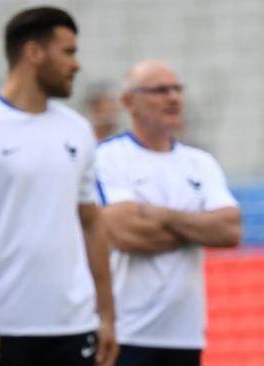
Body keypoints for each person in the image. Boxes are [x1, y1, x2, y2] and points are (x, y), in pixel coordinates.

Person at [0, 6, 117, 366]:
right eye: (68, 52)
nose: (77, 65)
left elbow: (91, 222)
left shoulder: (78, 129)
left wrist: (108, 315)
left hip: (74, 326)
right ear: (34, 53)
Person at [95, 60, 241, 366]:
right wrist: (196, 228)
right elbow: (125, 235)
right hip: (125, 333)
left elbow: (229, 230)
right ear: (128, 101)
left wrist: (159, 215)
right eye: (160, 90)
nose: (173, 98)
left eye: (177, 89)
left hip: (184, 335)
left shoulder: (200, 162)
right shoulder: (108, 157)